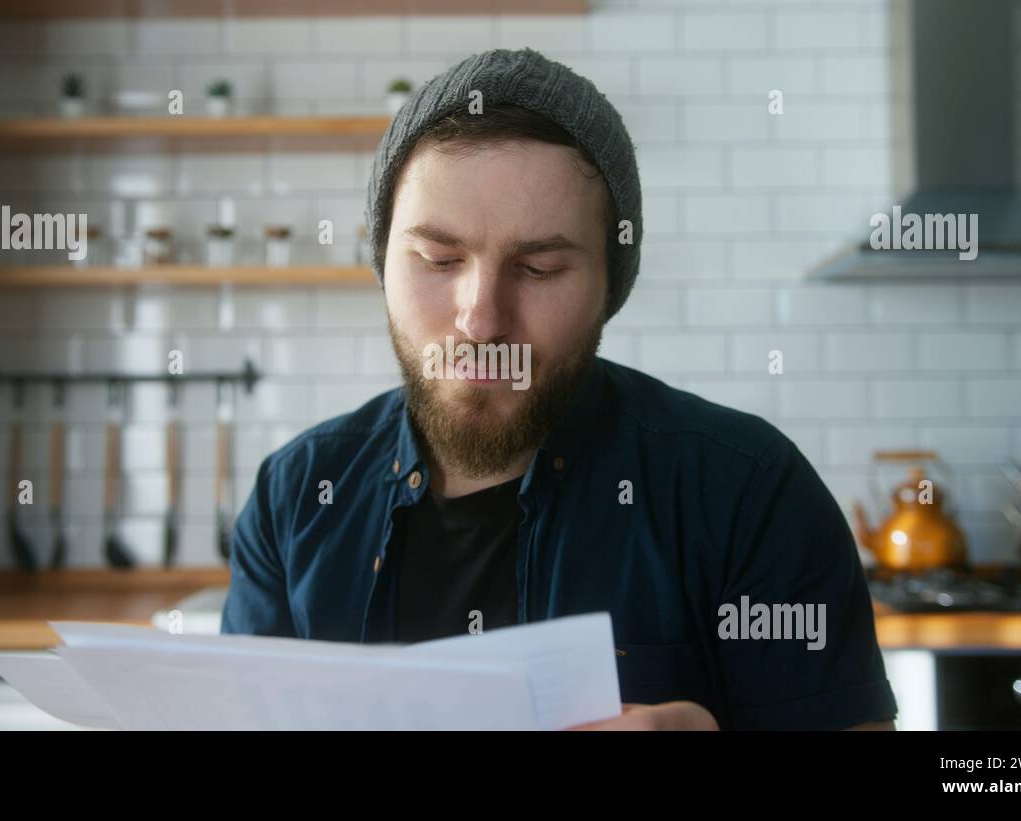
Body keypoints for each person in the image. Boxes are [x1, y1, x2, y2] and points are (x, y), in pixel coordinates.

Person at [222, 48, 897, 731]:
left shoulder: (749, 492)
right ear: (382, 260)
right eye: (438, 260)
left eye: (539, 268)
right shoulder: (295, 496)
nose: (481, 320)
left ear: (611, 283)